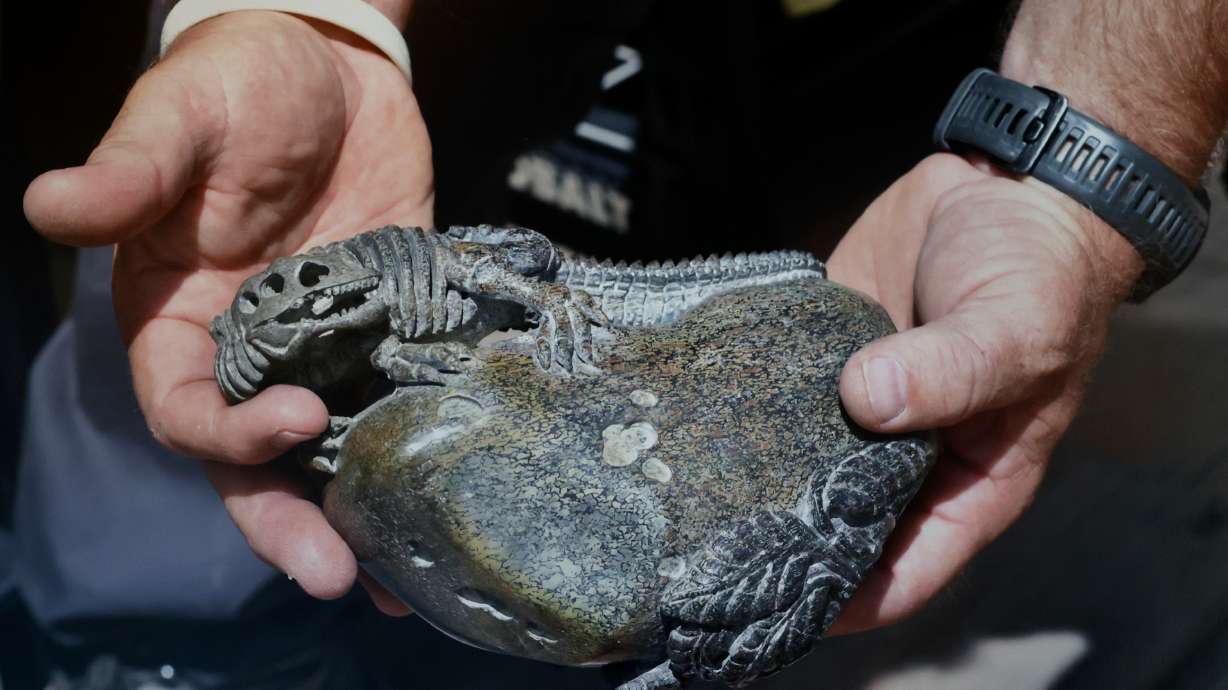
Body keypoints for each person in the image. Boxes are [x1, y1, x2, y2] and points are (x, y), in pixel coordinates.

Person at [15, 0, 1228, 687]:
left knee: (857, 310)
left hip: (909, 43)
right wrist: (319, 14)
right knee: (193, 467)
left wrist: (1084, 156)